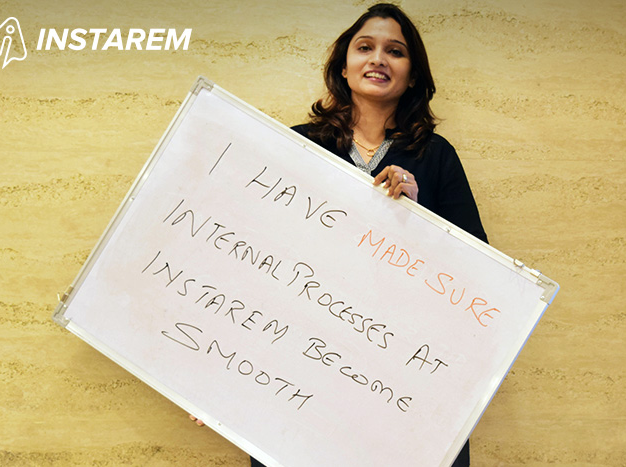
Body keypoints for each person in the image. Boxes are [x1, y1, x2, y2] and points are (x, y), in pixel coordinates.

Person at [192, 3, 486, 466]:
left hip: (399, 371)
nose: (378, 59)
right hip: (298, 358)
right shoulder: (296, 145)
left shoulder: (434, 155)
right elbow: (245, 256)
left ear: (413, 76)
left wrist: (417, 215)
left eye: (395, 51)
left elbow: (480, 278)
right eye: (364, 47)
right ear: (343, 68)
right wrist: (214, 373)